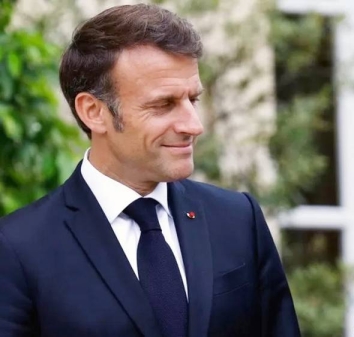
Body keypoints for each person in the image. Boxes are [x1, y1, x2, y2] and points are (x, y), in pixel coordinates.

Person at [0, 4, 300, 337]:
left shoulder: (239, 219)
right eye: (163, 104)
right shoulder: (16, 248)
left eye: (193, 100)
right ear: (93, 112)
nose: (193, 125)